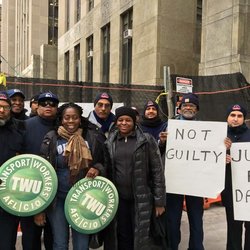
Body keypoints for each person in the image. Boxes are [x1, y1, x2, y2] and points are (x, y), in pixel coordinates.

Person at [39, 102, 105, 250]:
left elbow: (103, 161)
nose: (70, 121)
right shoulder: (52, 137)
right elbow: (43, 169)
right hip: (58, 198)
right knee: (60, 242)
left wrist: (96, 168)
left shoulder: (91, 137)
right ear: (61, 119)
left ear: (80, 119)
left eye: (74, 117)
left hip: (83, 197)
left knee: (81, 243)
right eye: (67, 117)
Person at [104, 106, 166, 250]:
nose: (124, 123)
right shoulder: (109, 142)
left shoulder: (146, 140)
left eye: (128, 120)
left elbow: (157, 171)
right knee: (122, 234)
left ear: (134, 122)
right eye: (120, 120)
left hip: (141, 198)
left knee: (141, 236)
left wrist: (159, 202)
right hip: (119, 199)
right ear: (116, 122)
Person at [159, 93, 204, 250]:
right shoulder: (168, 126)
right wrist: (162, 142)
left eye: (192, 105)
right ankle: (172, 247)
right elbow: (159, 152)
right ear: (179, 109)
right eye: (184, 106)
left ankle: (197, 247)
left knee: (197, 219)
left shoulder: (206, 129)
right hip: (174, 181)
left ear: (197, 109)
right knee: (172, 219)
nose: (188, 108)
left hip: (196, 182)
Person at [23, 91, 59, 250]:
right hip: (29, 188)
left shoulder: (63, 126)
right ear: (37, 106)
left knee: (54, 237)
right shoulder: (25, 126)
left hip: (55, 191)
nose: (48, 106)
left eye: (52, 104)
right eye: (43, 103)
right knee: (31, 239)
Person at [221, 104, 250, 250]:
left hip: (248, 192)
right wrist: (221, 155)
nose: (235, 119)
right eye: (232, 115)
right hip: (230, 190)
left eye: (239, 116)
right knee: (233, 227)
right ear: (227, 117)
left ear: (244, 119)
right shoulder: (219, 137)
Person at [0, 91, 25, 250]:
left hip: (10, 197)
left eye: (5, 107)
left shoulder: (20, 132)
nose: (1, 111)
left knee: (7, 242)